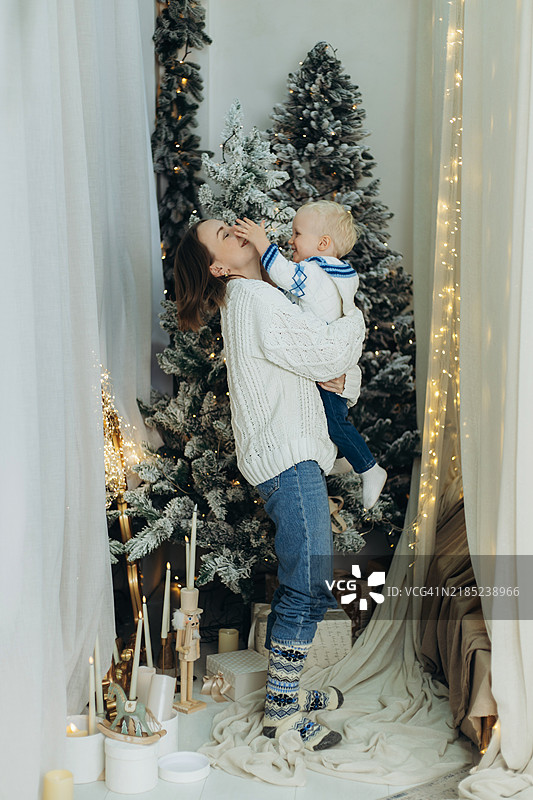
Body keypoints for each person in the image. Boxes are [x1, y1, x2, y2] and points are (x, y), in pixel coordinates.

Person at [174, 218, 366, 751]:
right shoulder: (255, 299)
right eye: (225, 235)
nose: (240, 234)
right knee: (306, 582)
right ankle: (280, 713)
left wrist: (342, 373)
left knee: (309, 579)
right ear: (219, 266)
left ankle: (287, 695)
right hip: (288, 458)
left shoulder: (263, 296)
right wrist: (356, 319)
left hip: (296, 455)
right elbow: (329, 352)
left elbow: (329, 376)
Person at [233, 200, 387, 510]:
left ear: (323, 243)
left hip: (325, 363)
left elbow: (287, 276)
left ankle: (369, 467)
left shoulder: (316, 273)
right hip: (328, 361)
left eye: (297, 233)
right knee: (329, 419)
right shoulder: (334, 273)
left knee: (335, 421)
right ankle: (346, 457)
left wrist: (263, 243)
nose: (291, 240)